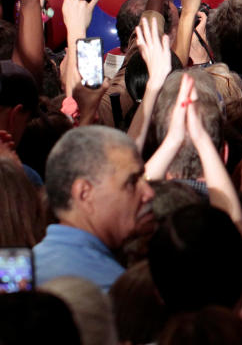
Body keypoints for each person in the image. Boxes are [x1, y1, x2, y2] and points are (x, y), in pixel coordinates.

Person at [34, 125, 155, 293]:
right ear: (84, 193)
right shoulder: (109, 289)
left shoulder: (32, 266)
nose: (148, 193)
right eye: (132, 181)